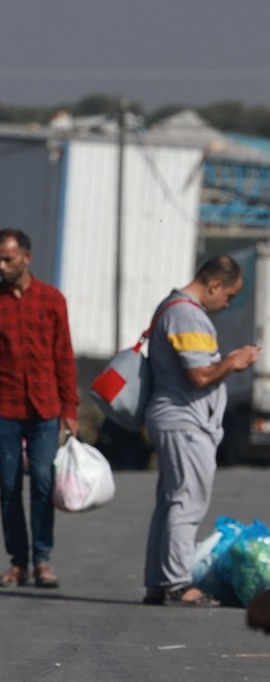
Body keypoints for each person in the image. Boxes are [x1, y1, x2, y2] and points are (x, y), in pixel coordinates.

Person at [0, 228, 79, 589]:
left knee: (42, 481)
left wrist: (70, 407)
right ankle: (19, 563)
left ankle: (43, 560)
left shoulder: (52, 300)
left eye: (8, 258)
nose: (1, 265)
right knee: (10, 486)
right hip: (3, 407)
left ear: (26, 258)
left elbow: (64, 356)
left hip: (45, 408)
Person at [142, 255, 259, 606]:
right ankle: (178, 584)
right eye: (229, 296)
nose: (228, 304)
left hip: (177, 418)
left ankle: (158, 583)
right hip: (185, 420)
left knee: (171, 502)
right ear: (214, 285)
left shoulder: (174, 307)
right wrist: (233, 363)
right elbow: (200, 375)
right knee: (186, 504)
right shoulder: (187, 314)